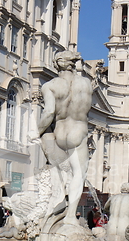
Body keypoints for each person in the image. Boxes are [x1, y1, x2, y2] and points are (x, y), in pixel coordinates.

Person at [28, 50, 93, 226]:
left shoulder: (50, 86)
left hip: (58, 134)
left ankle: (51, 208)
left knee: (55, 172)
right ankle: (71, 215)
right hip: (77, 133)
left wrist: (35, 132)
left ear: (57, 65)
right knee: (78, 175)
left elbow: (49, 113)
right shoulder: (87, 84)